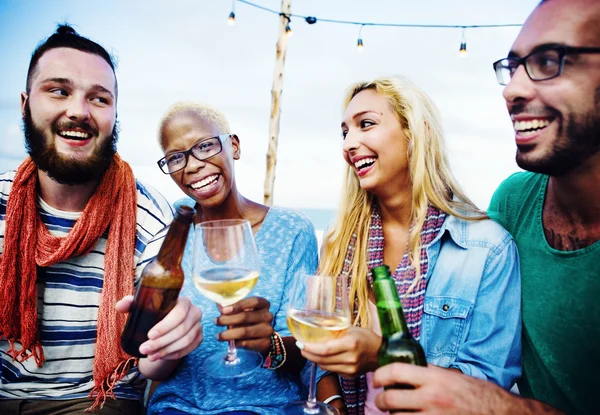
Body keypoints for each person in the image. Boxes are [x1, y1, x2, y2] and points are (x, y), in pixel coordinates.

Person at [370, 1, 600, 414]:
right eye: (512, 68)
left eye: (549, 61)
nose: (511, 90)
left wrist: (496, 406)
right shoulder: (514, 201)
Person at [0, 25, 201, 414]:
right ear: (24, 104)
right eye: (58, 91)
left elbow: (150, 362)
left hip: (98, 400)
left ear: (114, 115)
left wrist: (171, 341)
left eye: (99, 98)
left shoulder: (151, 219)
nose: (79, 110)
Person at [297, 75, 522, 415]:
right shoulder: (338, 239)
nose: (349, 144)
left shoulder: (486, 248)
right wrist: (332, 402)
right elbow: (318, 354)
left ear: (417, 132)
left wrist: (382, 354)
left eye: (366, 124)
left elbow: (486, 386)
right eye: (345, 132)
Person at [132, 101, 340, 415]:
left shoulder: (292, 230)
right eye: (176, 157)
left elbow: (308, 345)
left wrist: (269, 343)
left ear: (234, 146)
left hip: (265, 406)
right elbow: (151, 358)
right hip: (178, 406)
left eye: (204, 146)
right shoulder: (174, 229)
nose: (192, 165)